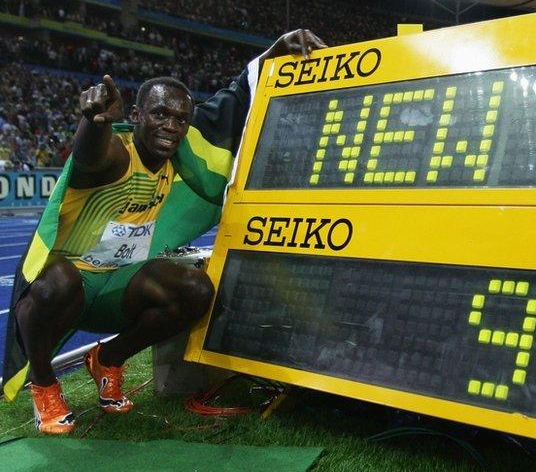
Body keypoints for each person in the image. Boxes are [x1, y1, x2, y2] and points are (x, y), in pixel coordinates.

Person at [1, 29, 326, 434]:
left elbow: (231, 101)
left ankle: (108, 359)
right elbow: (90, 155)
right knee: (53, 283)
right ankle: (45, 385)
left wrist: (275, 50)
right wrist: (94, 123)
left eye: (180, 119)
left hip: (120, 285)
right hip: (71, 289)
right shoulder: (117, 154)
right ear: (135, 116)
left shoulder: (180, 154)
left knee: (196, 290)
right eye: (159, 115)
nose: (171, 126)